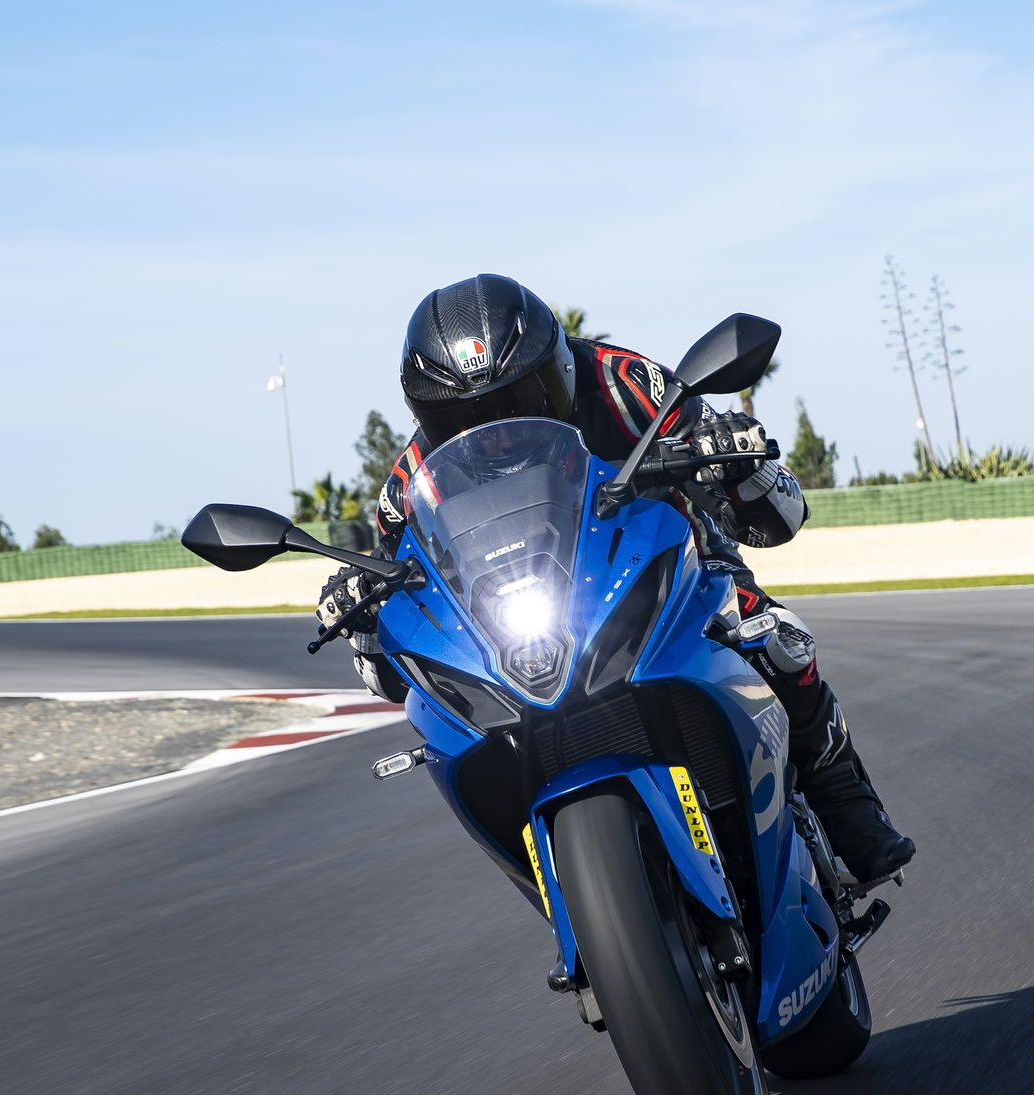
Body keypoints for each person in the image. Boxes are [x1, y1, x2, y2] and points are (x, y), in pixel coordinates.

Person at [319, 273, 915, 883]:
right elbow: (390, 669)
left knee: (777, 637)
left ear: (558, 369)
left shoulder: (621, 381)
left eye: (519, 401)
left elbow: (779, 518)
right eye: (466, 417)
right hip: (520, 621)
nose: (496, 430)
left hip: (672, 565)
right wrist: (359, 614)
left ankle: (847, 805)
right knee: (445, 723)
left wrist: (735, 453)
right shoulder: (410, 483)